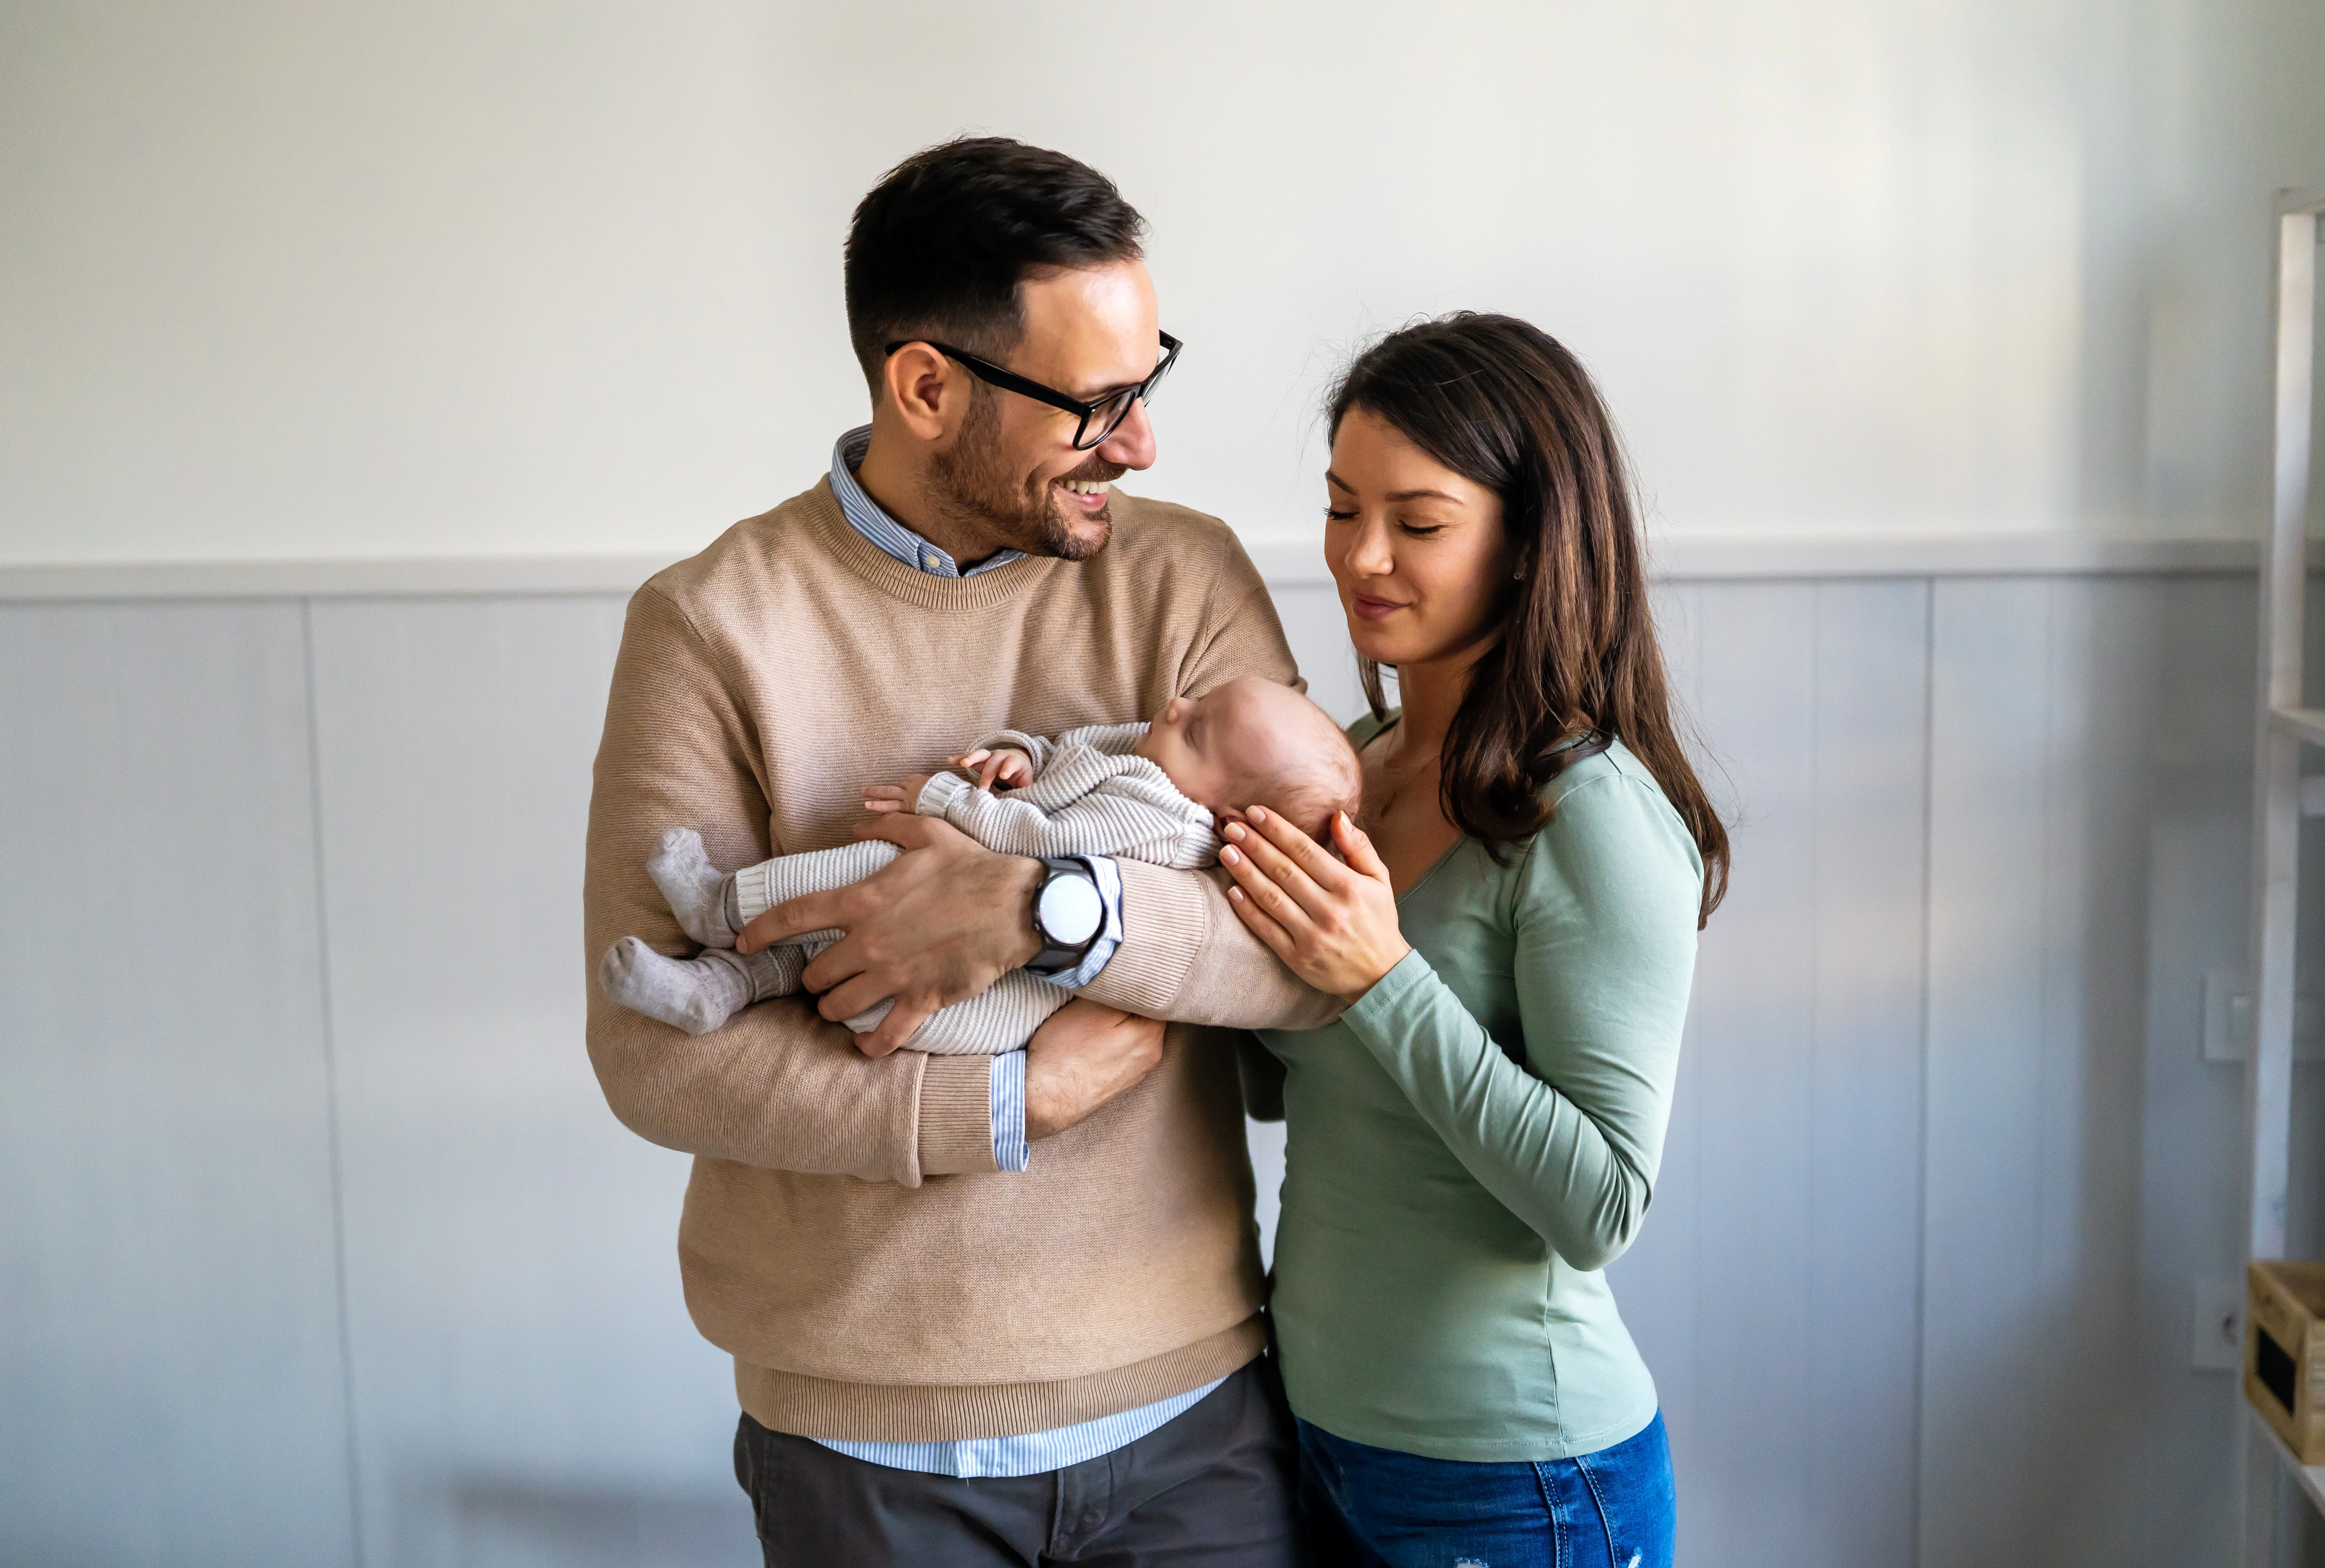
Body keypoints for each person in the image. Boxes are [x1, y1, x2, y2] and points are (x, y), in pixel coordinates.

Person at [581, 137, 1334, 1566]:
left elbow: (1302, 952)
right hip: (859, 1447)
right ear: (925, 387)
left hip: (1192, 1419)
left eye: (1146, 383)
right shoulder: (706, 626)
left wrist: (1040, 908)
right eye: (1097, 405)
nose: (1141, 444)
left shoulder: (1185, 582)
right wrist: (1003, 1106)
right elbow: (651, 1049)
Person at [1216, 314, 1730, 1567]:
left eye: (1420, 520)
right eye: (1342, 508)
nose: (1363, 556)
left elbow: (1602, 1201)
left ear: (1525, 543)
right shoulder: (1358, 761)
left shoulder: (1592, 814)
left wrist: (1381, 976)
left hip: (1519, 1482)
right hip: (1318, 1435)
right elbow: (1283, 1087)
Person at [598, 676, 1361, 1046]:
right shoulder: (1165, 757)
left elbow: (1038, 851)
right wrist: (1020, 756)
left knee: (874, 866)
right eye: (1195, 700)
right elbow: (1078, 754)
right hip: (903, 989)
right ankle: (720, 986)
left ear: (1228, 819)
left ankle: (717, 907)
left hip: (961, 1006)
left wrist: (951, 802)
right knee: (826, 939)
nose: (1172, 709)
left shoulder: (1164, 821)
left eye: (1195, 730)